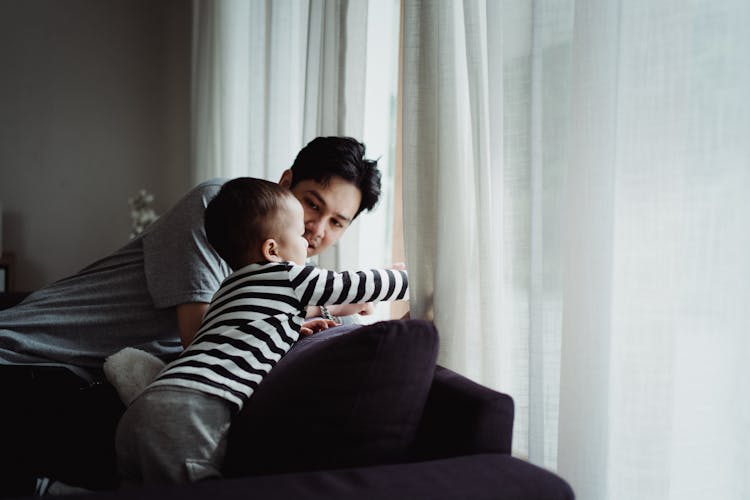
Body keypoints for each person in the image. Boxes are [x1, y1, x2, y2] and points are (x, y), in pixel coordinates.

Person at [0, 136, 384, 496]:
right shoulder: (219, 206)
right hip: (30, 352)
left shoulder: (279, 270)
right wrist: (332, 305)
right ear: (286, 182)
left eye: (337, 222)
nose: (316, 230)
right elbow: (200, 336)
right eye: (313, 204)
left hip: (94, 376)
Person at [115, 177, 408, 486]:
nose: (308, 241)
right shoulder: (286, 276)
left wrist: (294, 327)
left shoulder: (226, 290)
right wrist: (404, 277)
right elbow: (351, 285)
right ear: (272, 249)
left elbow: (236, 334)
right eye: (299, 235)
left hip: (147, 404)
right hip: (190, 409)